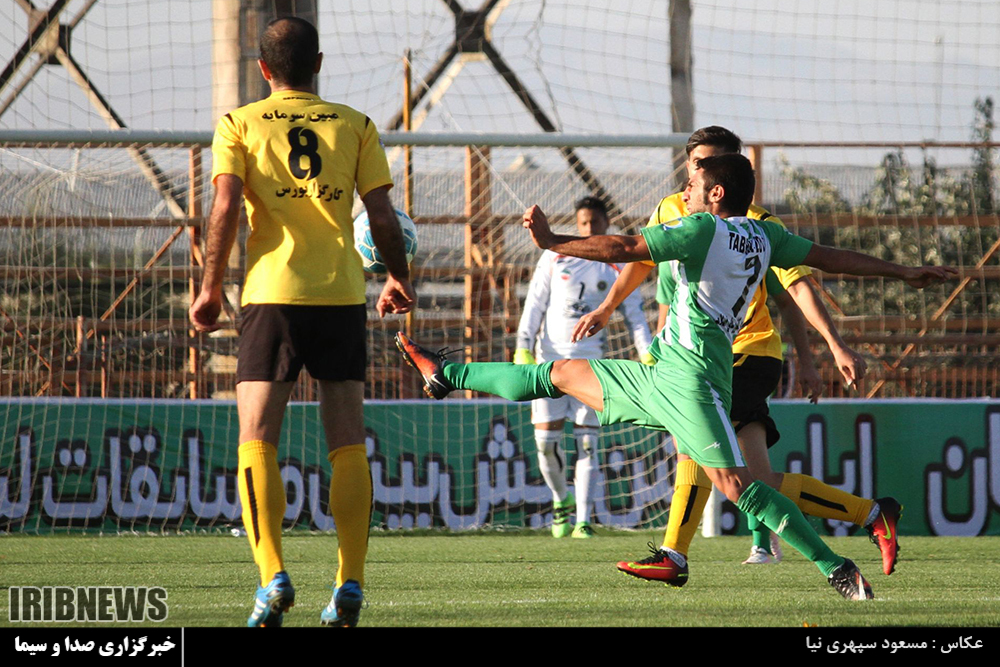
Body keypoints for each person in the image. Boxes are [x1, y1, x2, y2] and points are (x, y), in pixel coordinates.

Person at [396, 153, 955, 600]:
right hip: (662, 372)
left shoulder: (702, 231)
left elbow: (624, 248)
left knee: (739, 487)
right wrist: (903, 271)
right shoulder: (765, 237)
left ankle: (837, 569)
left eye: (692, 185)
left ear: (716, 193)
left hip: (693, 383)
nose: (683, 192)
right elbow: (831, 257)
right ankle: (448, 372)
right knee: (560, 371)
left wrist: (553, 243)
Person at [189, 16, 415, 628]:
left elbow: (226, 205)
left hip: (272, 296)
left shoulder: (239, 123)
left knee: (257, 438)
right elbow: (381, 214)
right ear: (318, 63)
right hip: (340, 294)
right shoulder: (355, 124)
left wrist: (209, 287)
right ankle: (350, 582)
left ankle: (272, 577)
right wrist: (397, 276)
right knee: (347, 441)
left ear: (264, 69)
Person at [605, 127, 900, 586]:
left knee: (696, 448)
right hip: (693, 357)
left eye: (710, 165)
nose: (699, 173)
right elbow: (646, 265)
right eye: (696, 164)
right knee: (757, 479)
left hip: (747, 351)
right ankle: (870, 514)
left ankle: (676, 555)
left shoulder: (757, 225)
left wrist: (828, 346)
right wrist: (607, 308)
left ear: (729, 175)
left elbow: (794, 289)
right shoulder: (671, 208)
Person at [514, 196, 653, 538]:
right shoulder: (554, 255)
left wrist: (646, 352)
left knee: (588, 443)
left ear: (607, 224)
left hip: (592, 366)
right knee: (545, 444)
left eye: (595, 222)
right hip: (550, 362)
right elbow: (534, 304)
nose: (590, 228)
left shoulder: (617, 264)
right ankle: (560, 499)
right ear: (577, 225)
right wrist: (522, 346)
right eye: (584, 223)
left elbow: (635, 314)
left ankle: (583, 520)